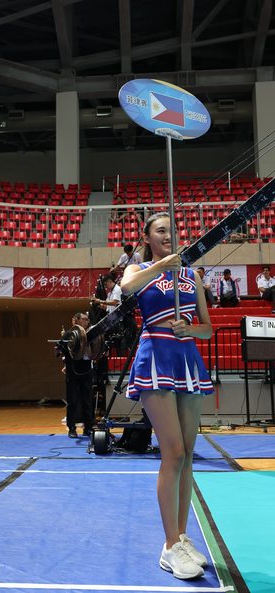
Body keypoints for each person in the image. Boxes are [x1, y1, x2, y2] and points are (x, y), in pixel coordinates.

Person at [120, 212, 213, 580]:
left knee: (187, 454)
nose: (168, 235)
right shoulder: (141, 269)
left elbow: (207, 329)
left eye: (172, 230)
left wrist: (189, 328)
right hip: (155, 356)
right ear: (147, 238)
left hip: (188, 360)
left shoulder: (192, 275)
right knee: (172, 452)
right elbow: (127, 288)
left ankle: (183, 537)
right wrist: (162, 266)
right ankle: (170, 546)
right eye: (161, 231)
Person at [56, 312, 94, 438]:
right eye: (84, 319)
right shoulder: (69, 334)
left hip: (87, 369)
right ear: (76, 320)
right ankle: (72, 428)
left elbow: (98, 348)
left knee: (87, 400)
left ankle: (88, 428)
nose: (87, 321)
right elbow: (58, 349)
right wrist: (64, 352)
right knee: (72, 400)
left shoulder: (91, 334)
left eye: (87, 319)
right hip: (73, 369)